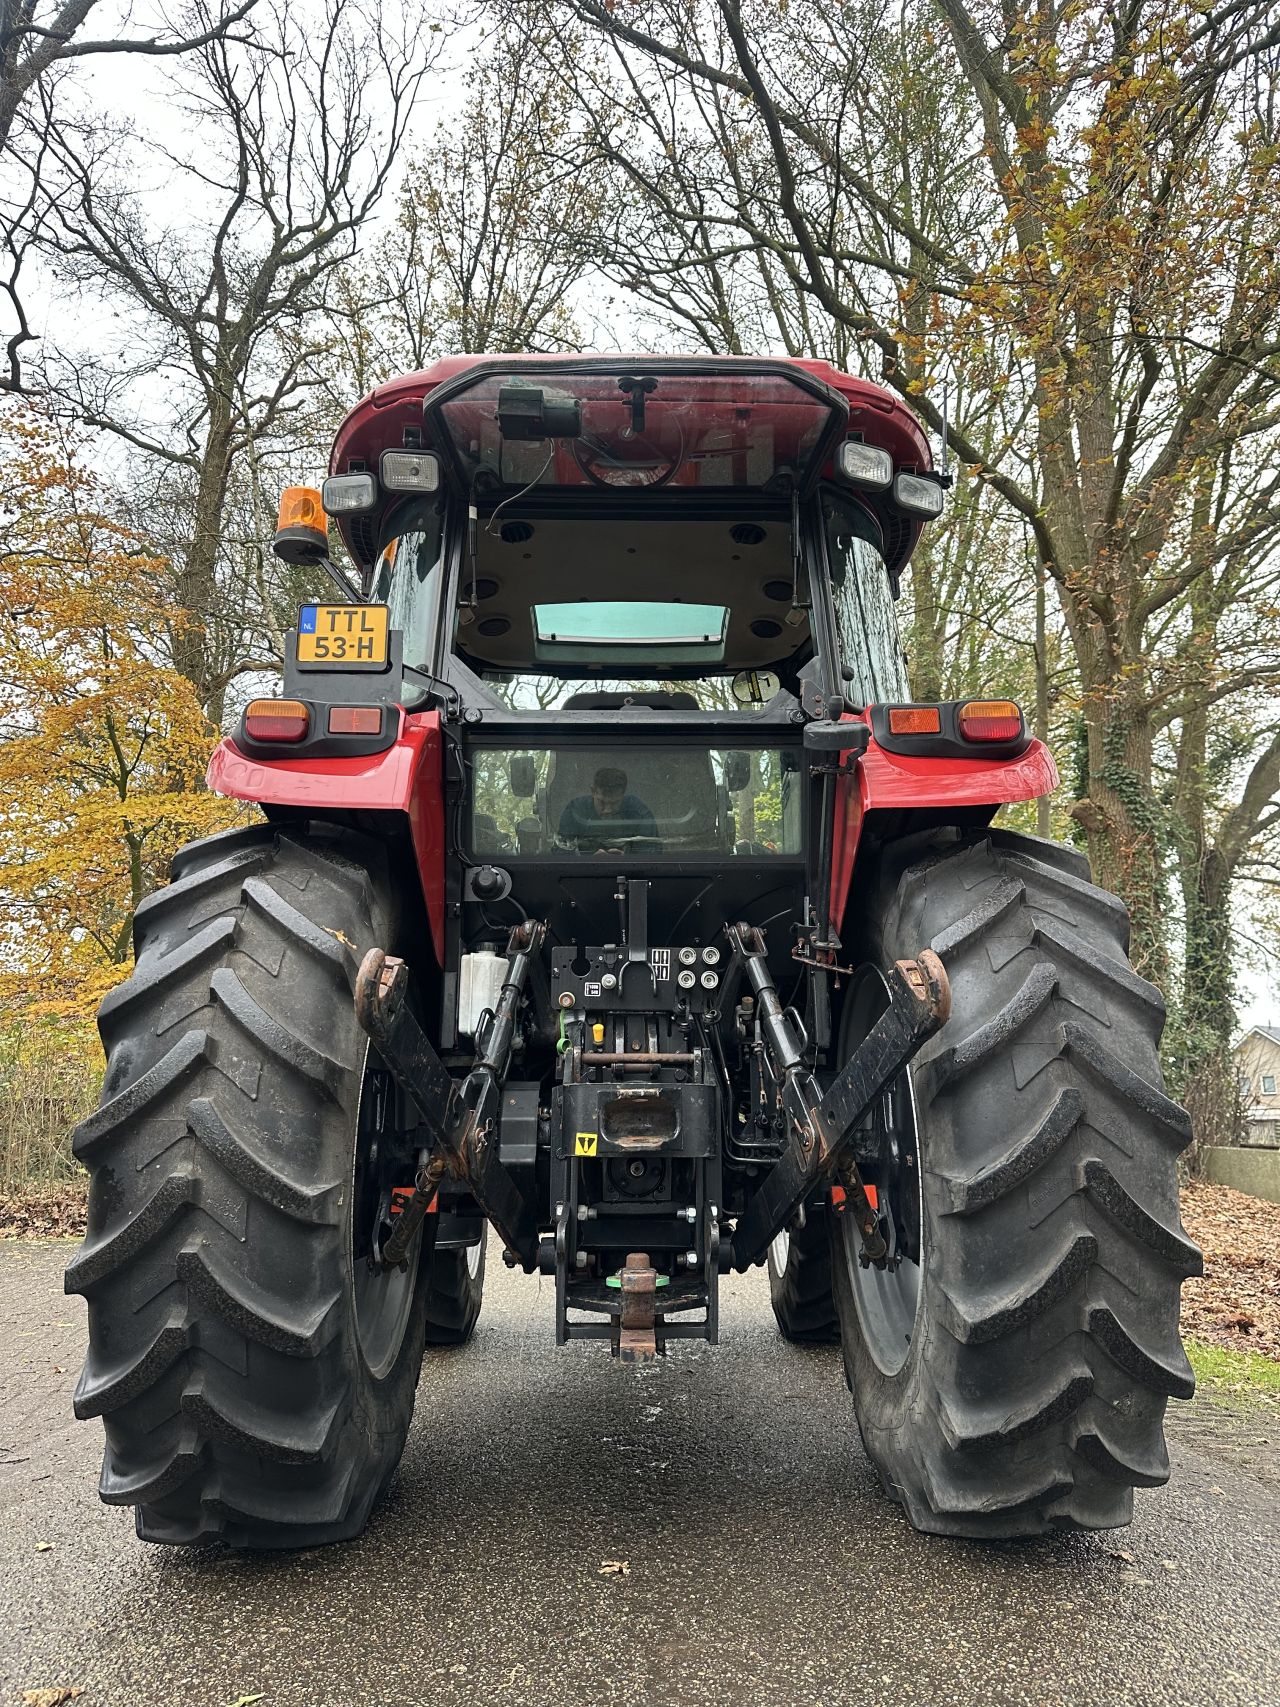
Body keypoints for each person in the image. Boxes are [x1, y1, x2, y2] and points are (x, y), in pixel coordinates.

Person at [558, 766, 660, 854]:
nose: (607, 810)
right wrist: (589, 861)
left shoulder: (638, 812)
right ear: (593, 792)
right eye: (602, 802)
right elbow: (560, 853)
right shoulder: (575, 810)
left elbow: (652, 853)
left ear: (623, 795)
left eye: (614, 803)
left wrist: (626, 859)